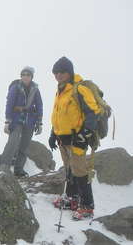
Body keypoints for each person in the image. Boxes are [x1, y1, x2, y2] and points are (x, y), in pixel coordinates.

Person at [49, 56, 100, 220]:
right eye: (55, 72)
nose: (58, 75)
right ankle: (72, 199)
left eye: (61, 72)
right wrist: (53, 133)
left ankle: (87, 205)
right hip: (63, 139)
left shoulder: (79, 89)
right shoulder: (61, 90)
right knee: (69, 169)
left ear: (69, 72)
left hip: (77, 138)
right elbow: (59, 115)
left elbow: (93, 113)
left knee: (80, 171)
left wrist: (85, 134)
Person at [0, 66, 43, 177]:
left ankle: (18, 170)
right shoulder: (15, 87)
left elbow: (39, 105)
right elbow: (9, 104)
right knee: (12, 143)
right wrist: (7, 121)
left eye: (27, 75)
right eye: (23, 74)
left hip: (30, 120)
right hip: (16, 119)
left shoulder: (35, 89)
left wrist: (39, 122)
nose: (25, 76)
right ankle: (3, 168)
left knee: (24, 146)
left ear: (31, 77)